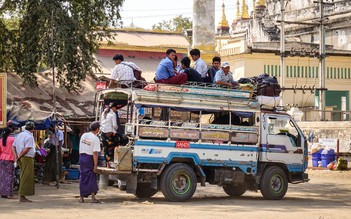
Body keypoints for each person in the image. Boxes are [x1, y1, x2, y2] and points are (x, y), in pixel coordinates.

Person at [12, 121, 36, 203]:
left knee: (23, 175)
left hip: (20, 157)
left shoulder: (19, 135)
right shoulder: (29, 137)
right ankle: (22, 196)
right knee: (26, 177)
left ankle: (23, 195)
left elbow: (13, 146)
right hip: (26, 158)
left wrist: (16, 155)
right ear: (32, 129)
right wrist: (19, 156)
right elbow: (27, 148)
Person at [79, 121, 101, 203]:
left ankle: (81, 197)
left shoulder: (84, 135)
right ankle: (92, 197)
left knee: (83, 177)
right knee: (92, 177)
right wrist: (95, 166)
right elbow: (95, 153)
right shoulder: (95, 138)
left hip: (82, 157)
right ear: (97, 129)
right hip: (89, 158)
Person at [100, 102, 119, 168]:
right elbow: (114, 125)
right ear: (113, 108)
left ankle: (107, 163)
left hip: (103, 133)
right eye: (116, 108)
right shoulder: (113, 114)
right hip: (109, 134)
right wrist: (116, 129)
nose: (116, 109)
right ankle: (112, 162)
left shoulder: (103, 113)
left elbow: (101, 123)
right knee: (111, 148)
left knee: (105, 149)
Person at [0, 128, 16, 199]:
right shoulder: (12, 139)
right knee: (9, 176)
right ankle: (9, 193)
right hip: (10, 159)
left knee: (2, 176)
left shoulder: (1, 140)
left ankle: (3, 192)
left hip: (2, 158)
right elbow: (15, 148)